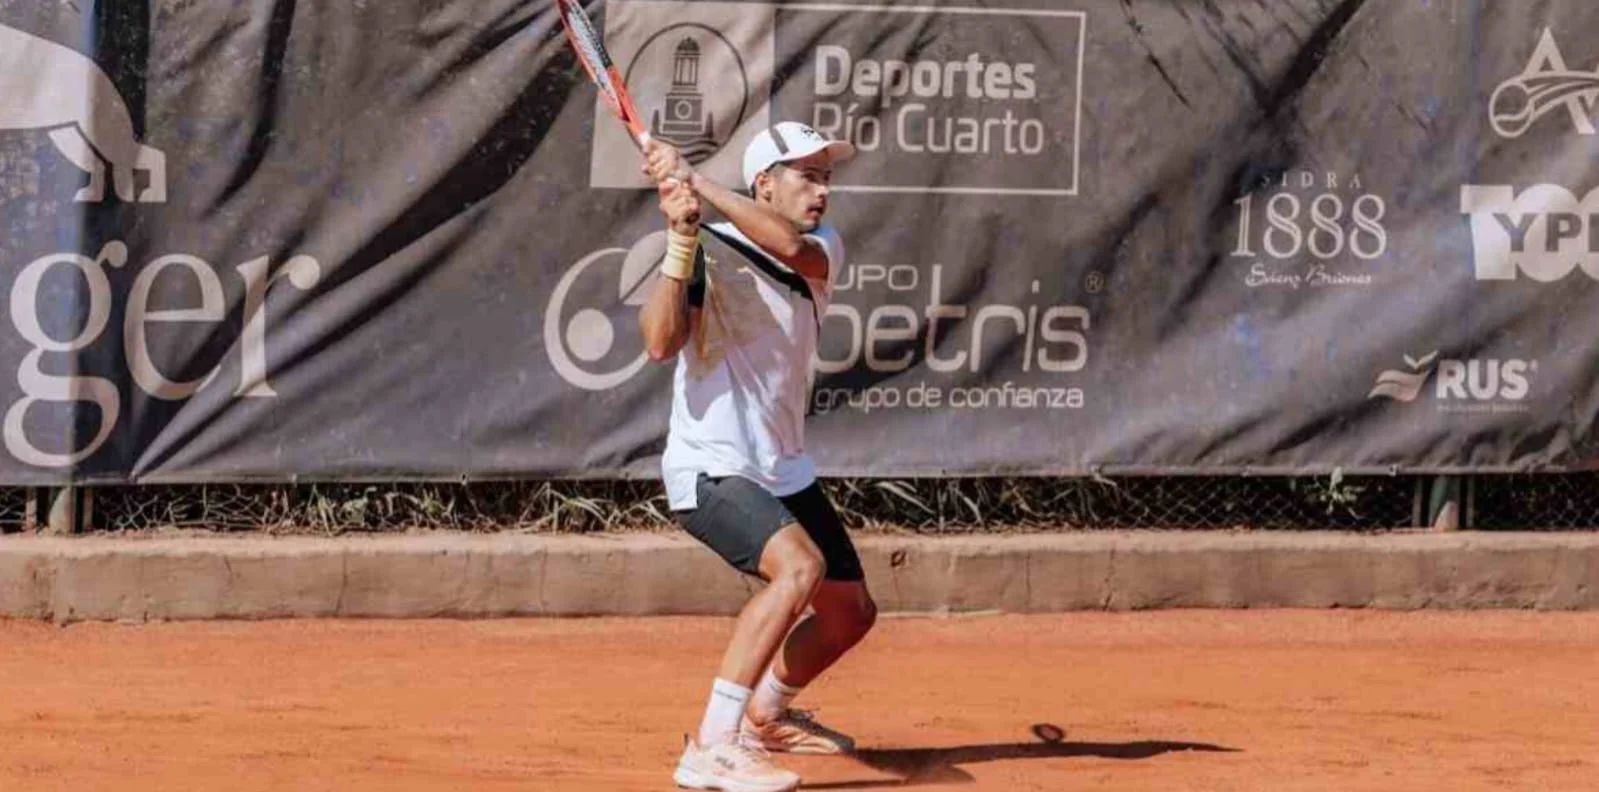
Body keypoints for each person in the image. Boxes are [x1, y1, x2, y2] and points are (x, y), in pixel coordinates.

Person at [637, 122, 878, 792]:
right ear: (763, 182)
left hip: (782, 466)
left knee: (850, 612)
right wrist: (681, 238)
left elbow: (788, 246)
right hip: (708, 465)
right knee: (798, 569)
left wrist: (695, 182)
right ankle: (712, 746)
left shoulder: (821, 246)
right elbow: (660, 344)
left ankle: (765, 717)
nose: (820, 189)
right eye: (803, 174)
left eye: (825, 176)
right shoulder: (708, 246)